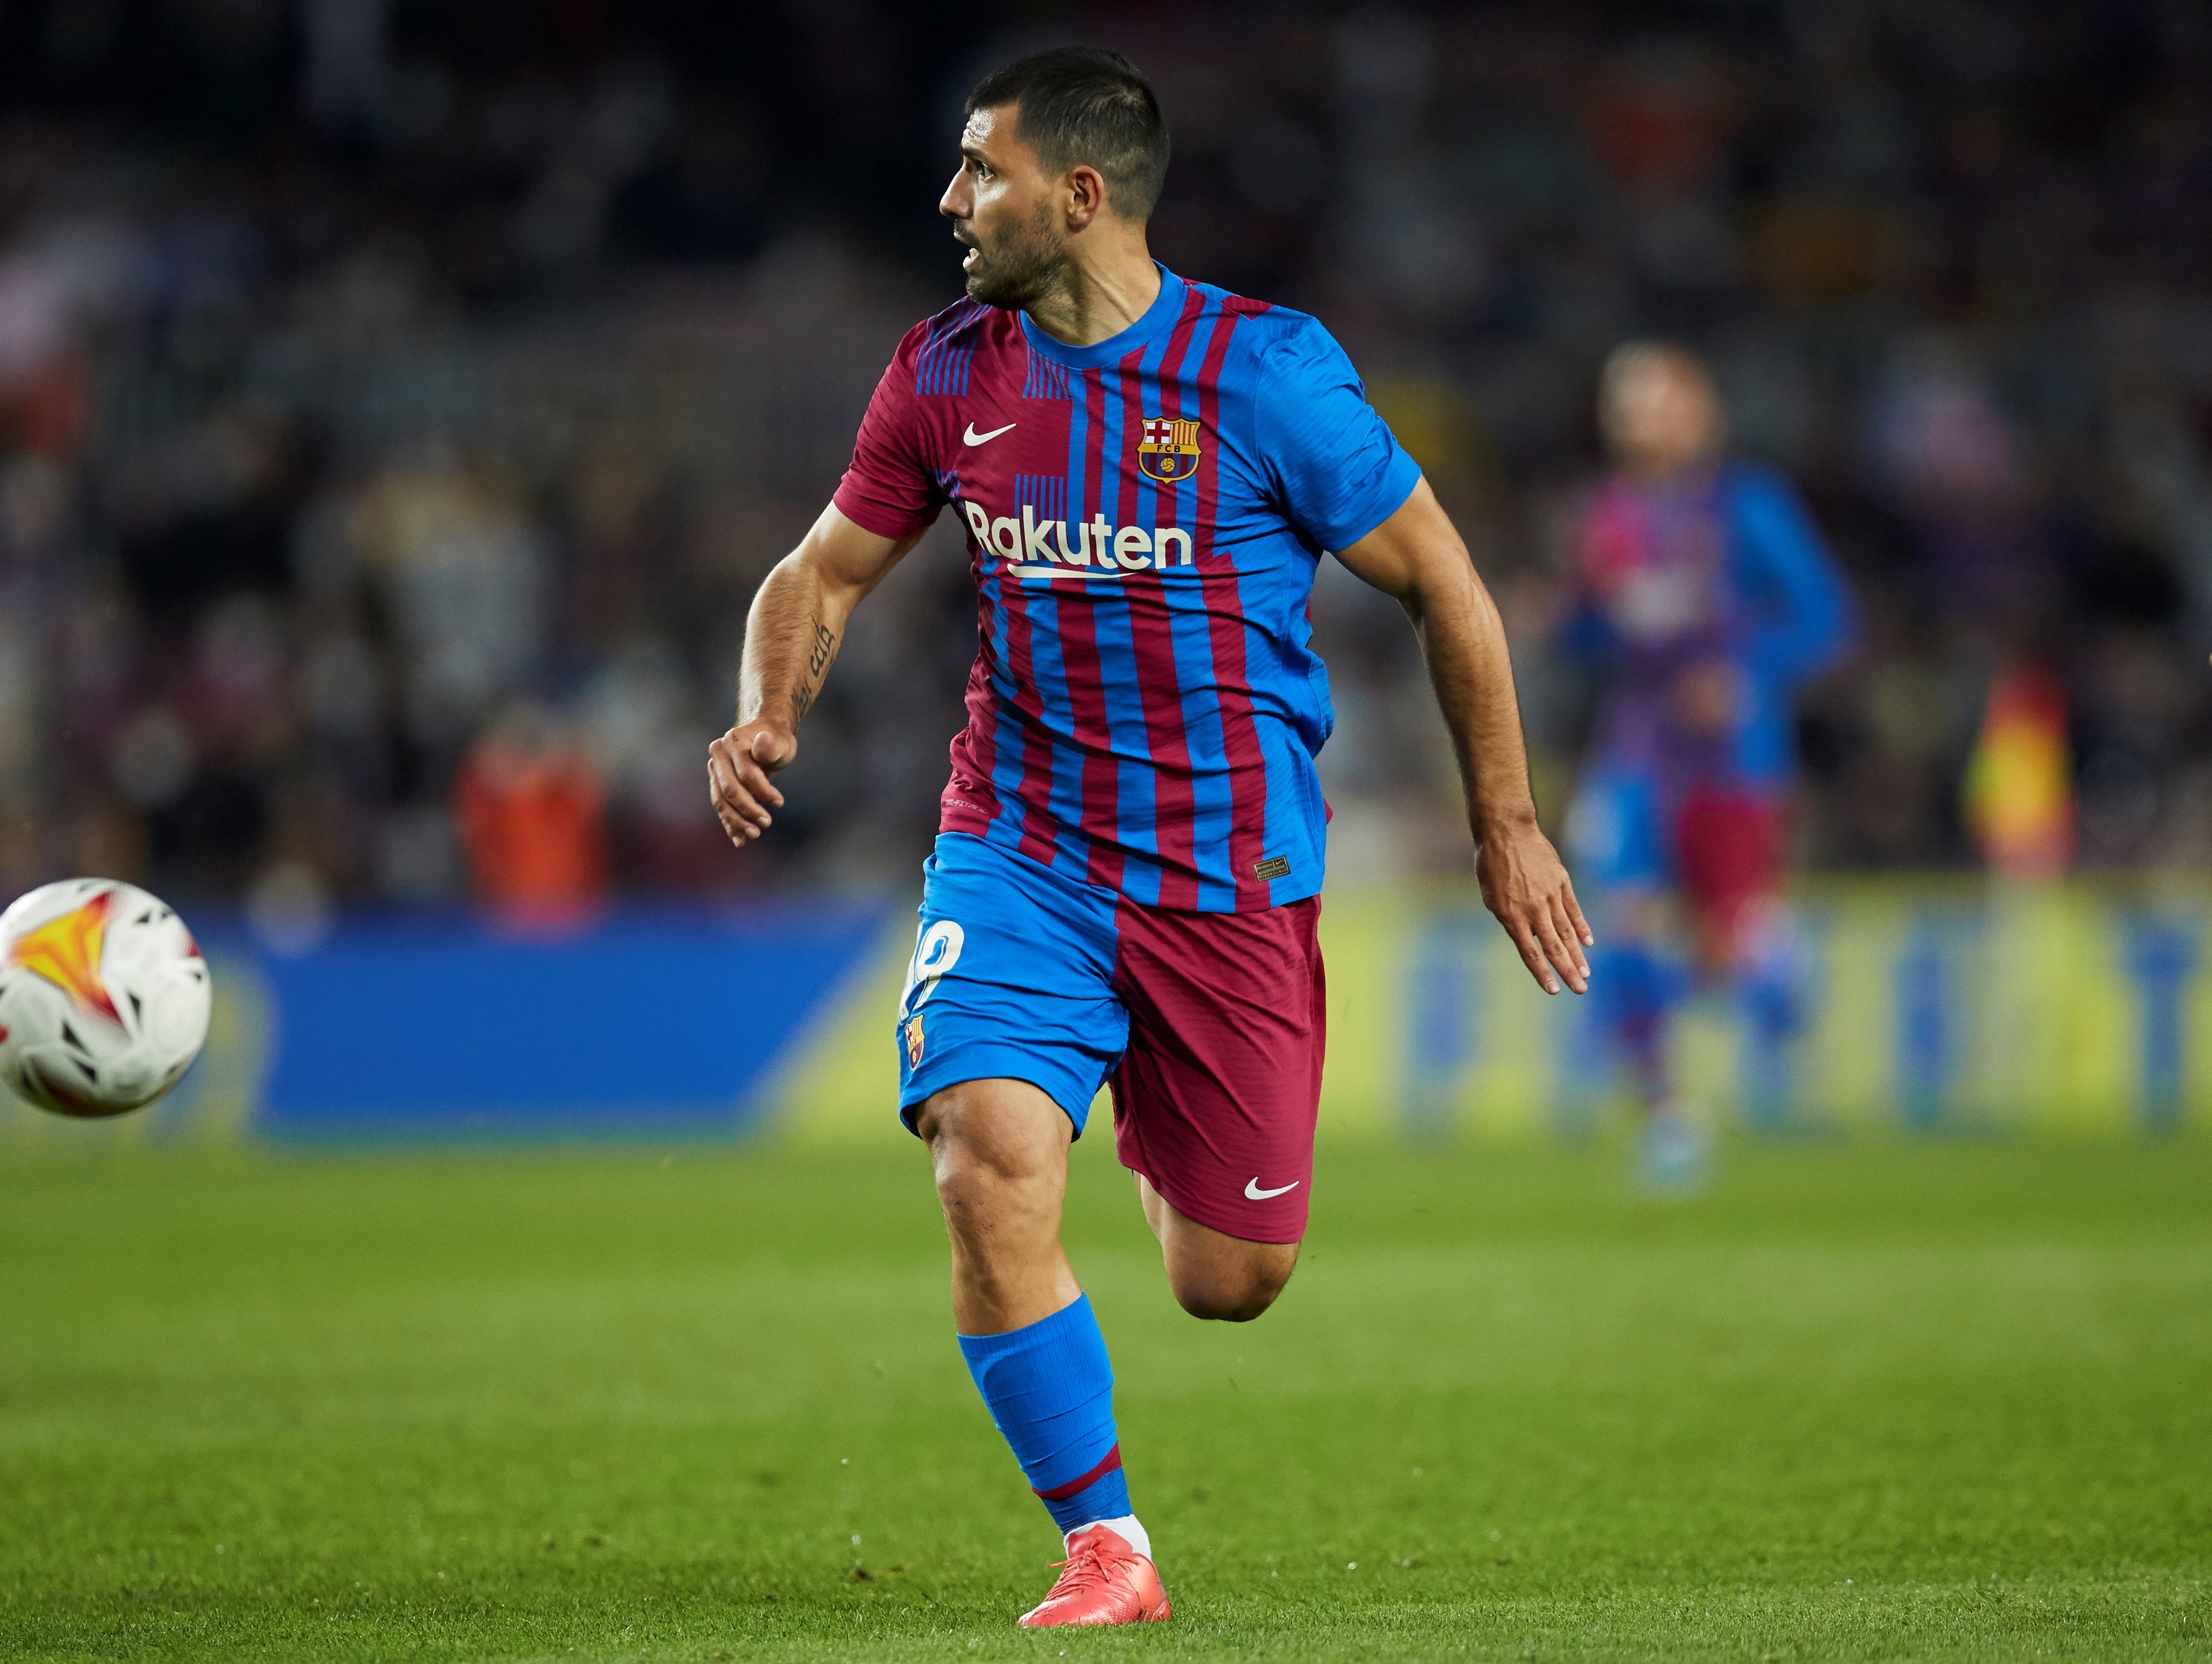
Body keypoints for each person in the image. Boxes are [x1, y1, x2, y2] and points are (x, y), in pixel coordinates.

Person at [705, 48, 1589, 1628]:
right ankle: (1105, 1543)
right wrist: (770, 709)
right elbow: (820, 574)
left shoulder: (1265, 376)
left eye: (982, 170)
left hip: (1226, 881)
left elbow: (1449, 583)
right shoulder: (944, 371)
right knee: (984, 1158)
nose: (951, 199)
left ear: (1081, 194)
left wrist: (1507, 827)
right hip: (1020, 848)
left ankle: (1132, 1096)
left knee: (1226, 1279)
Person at [1559, 342, 1853, 1180]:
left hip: (1732, 759)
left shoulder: (1748, 506)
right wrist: (1561, 622)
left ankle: (1768, 955)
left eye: (1656, 399)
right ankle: (1669, 1119)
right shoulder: (1604, 514)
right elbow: (1598, 630)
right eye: (1625, 401)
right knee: (1616, 929)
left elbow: (1828, 618)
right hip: (1638, 752)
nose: (1638, 417)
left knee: (1719, 955)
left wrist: (1746, 673)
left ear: (1700, 412)